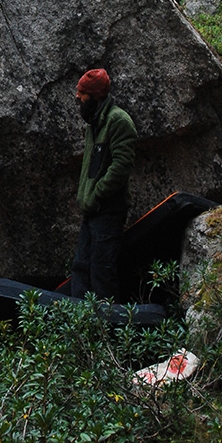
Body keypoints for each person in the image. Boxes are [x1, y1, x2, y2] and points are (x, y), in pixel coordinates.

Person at [70, 69, 137, 302]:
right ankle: (80, 326)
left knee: (102, 272)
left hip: (108, 211)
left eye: (82, 93)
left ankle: (107, 331)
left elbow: (122, 165)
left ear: (96, 96)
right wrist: (87, 199)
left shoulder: (118, 121)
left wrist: (97, 194)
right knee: (81, 267)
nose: (77, 98)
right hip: (92, 211)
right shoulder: (94, 123)